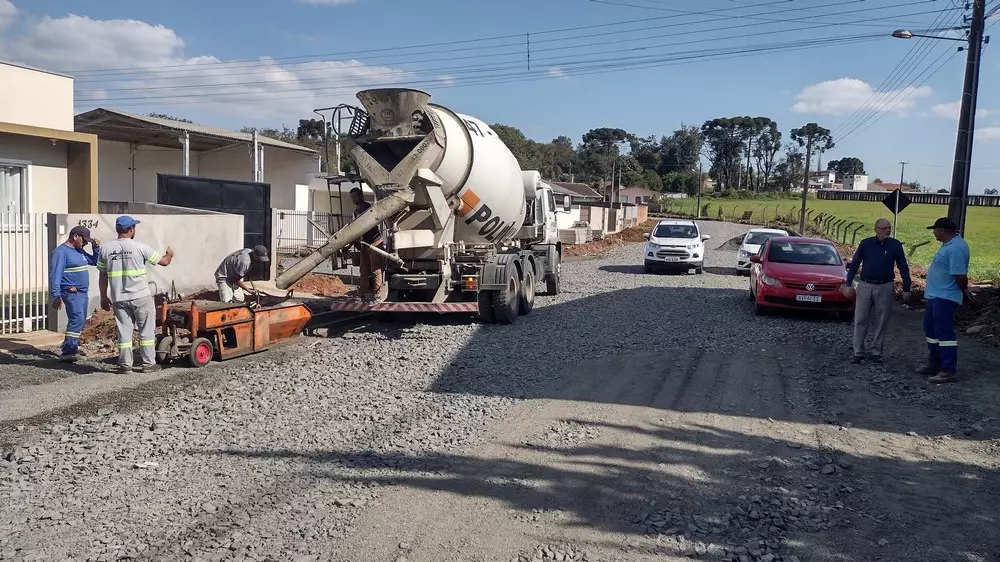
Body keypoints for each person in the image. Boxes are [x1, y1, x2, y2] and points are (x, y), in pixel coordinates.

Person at [97, 216, 174, 374]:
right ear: (131, 229)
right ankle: (148, 364)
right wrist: (170, 254)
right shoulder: (140, 247)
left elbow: (103, 276)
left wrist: (103, 297)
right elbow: (164, 262)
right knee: (146, 331)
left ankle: (125, 365)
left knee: (124, 332)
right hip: (140, 296)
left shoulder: (105, 249)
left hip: (119, 298)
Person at [843, 218, 911, 364]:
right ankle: (858, 352)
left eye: (889, 228)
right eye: (884, 227)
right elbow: (854, 264)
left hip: (885, 286)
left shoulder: (895, 245)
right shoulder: (866, 244)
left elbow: (903, 267)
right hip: (866, 285)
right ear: (876, 229)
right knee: (860, 319)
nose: (888, 230)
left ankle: (876, 351)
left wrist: (906, 287)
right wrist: (848, 284)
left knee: (882, 320)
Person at [918, 217, 972, 384]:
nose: (933, 232)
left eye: (935, 229)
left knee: (944, 334)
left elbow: (960, 276)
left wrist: (963, 291)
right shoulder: (948, 245)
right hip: (936, 296)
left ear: (942, 231)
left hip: (946, 296)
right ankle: (935, 363)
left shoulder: (956, 248)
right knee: (931, 331)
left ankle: (948, 370)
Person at [48, 226, 101, 362]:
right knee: (77, 318)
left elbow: (95, 262)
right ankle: (68, 351)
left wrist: (96, 248)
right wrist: (56, 295)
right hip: (72, 292)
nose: (86, 243)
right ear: (75, 236)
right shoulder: (61, 252)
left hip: (82, 292)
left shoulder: (79, 251)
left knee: (81, 319)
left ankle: (72, 345)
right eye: (84, 240)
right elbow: (55, 275)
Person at [349, 187, 384, 303]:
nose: (354, 199)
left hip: (374, 243)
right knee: (364, 270)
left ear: (361, 196)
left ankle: (377, 293)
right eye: (352, 197)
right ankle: (363, 293)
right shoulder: (357, 210)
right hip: (365, 244)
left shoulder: (365, 207)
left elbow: (360, 227)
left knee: (375, 269)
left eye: (355, 196)